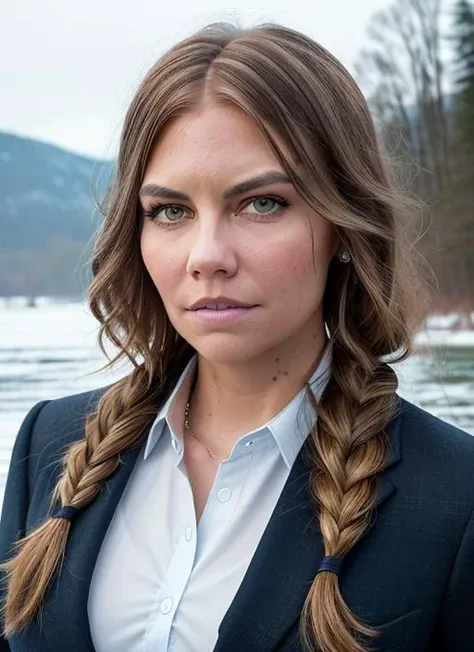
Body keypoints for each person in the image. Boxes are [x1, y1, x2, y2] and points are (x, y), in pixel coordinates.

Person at [0, 21, 473, 652]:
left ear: (343, 224)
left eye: (262, 204)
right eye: (171, 211)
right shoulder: (48, 447)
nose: (207, 255)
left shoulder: (453, 498)